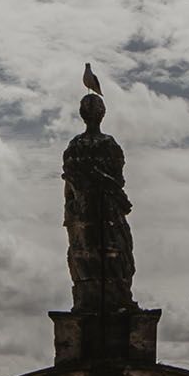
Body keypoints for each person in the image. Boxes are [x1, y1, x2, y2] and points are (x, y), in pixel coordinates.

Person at [62, 91, 135, 311]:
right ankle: (110, 298)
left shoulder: (76, 146)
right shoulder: (105, 145)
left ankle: (103, 298)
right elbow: (117, 179)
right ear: (101, 114)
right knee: (111, 255)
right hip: (99, 212)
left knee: (97, 255)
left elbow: (70, 187)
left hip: (94, 211)